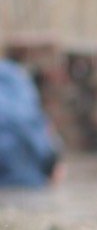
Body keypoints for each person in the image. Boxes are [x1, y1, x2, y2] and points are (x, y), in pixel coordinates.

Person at [0, 60, 62, 188]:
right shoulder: (14, 77)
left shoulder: (12, 77)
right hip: (25, 178)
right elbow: (28, 122)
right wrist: (52, 161)